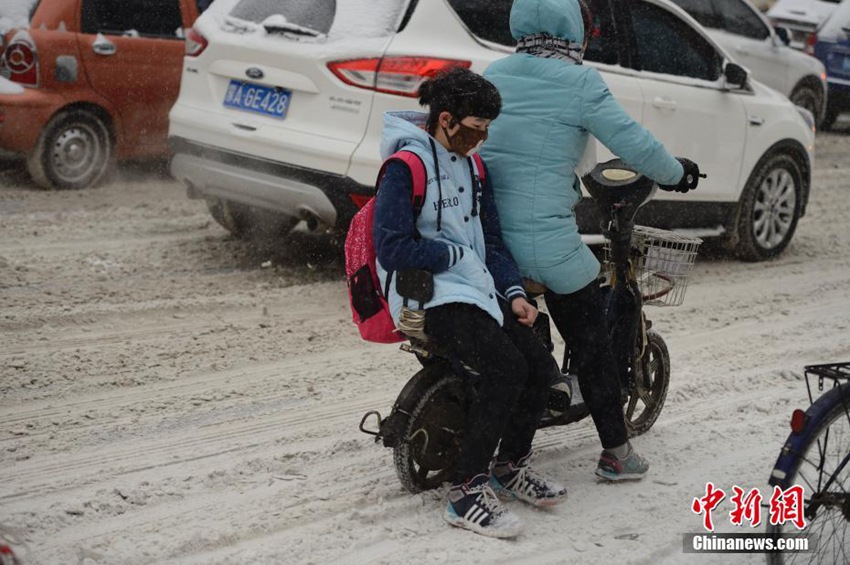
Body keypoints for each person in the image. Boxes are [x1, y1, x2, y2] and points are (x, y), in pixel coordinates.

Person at [481, 0, 700, 481]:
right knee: (592, 342)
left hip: (489, 242)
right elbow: (633, 142)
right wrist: (676, 173)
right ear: (575, 29)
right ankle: (617, 455)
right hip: (544, 243)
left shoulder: (494, 72)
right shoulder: (579, 82)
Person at [373, 67, 567, 539]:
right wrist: (453, 254)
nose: (482, 140)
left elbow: (493, 242)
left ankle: (508, 466)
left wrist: (515, 294)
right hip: (428, 293)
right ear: (446, 119)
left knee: (540, 368)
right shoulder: (405, 168)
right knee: (505, 368)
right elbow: (392, 248)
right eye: (476, 129)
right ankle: (465, 492)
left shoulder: (476, 169)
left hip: (477, 288)